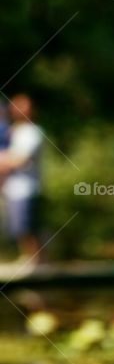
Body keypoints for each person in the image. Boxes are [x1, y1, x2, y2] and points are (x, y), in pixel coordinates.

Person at [0, 95, 43, 261]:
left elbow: (19, 160)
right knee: (19, 229)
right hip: (14, 189)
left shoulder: (32, 132)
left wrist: (4, 160)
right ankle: (29, 260)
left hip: (27, 189)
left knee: (28, 229)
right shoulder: (14, 131)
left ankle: (35, 264)